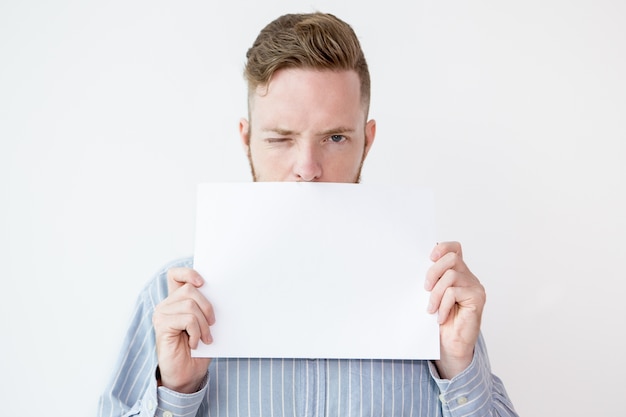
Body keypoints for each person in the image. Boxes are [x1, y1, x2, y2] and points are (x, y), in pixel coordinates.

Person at [99, 12, 518, 417]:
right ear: (247, 141)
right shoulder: (170, 297)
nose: (307, 168)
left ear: (366, 142)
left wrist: (460, 367)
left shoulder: (434, 299)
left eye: (335, 137)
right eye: (281, 138)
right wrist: (175, 393)